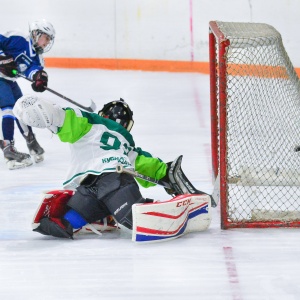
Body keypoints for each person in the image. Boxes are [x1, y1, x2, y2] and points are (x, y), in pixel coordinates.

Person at [13, 95, 203, 239]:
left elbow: (63, 118)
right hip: (114, 181)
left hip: (89, 186)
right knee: (131, 217)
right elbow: (148, 166)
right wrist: (166, 175)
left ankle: (102, 214)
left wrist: (45, 112)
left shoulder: (89, 122)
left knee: (68, 223)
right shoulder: (126, 142)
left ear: (103, 114)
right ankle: (110, 211)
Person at [0, 19, 55, 170]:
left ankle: (31, 141)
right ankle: (8, 147)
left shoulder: (37, 57)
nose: (47, 42)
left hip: (8, 80)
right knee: (8, 108)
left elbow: (32, 70)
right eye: (46, 38)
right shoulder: (18, 39)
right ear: (37, 34)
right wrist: (2, 57)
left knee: (21, 108)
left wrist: (39, 78)